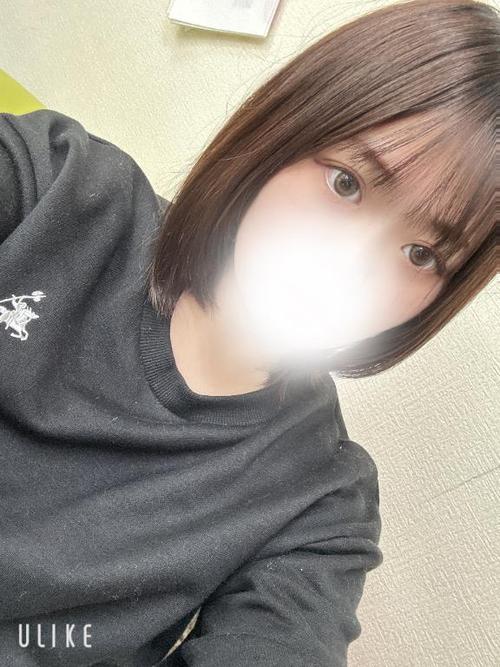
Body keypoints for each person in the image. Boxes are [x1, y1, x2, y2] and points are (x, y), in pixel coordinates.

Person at [0, 0, 497, 665]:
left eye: (421, 255)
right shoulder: (59, 189)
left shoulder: (321, 502)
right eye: (347, 183)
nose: (355, 265)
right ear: (284, 129)